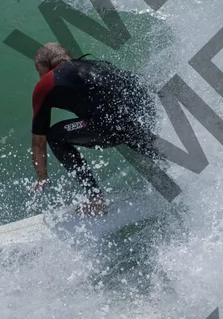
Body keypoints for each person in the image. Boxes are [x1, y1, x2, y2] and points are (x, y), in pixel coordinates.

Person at [29, 43, 159, 212]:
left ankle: (95, 199)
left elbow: (38, 141)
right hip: (136, 118)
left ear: (45, 65)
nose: (39, 75)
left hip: (109, 126)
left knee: (54, 135)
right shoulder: (99, 65)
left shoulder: (46, 83)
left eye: (38, 70)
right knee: (155, 146)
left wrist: (42, 177)